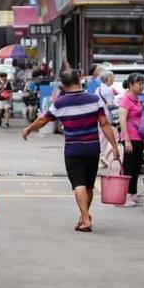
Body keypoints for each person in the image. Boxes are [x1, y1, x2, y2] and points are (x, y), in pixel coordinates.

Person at [22, 69, 119, 232]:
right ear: (79, 80)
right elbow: (104, 124)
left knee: (78, 184)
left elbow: (42, 120)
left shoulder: (60, 103)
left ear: (64, 85)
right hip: (92, 148)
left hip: (74, 149)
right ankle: (84, 217)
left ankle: (86, 219)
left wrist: (28, 129)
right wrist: (114, 146)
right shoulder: (94, 100)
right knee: (88, 185)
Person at [119, 73, 144, 207]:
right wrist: (127, 139)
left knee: (136, 167)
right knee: (128, 167)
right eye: (139, 83)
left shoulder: (137, 98)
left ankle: (133, 194)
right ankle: (124, 196)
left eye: (142, 83)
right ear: (130, 85)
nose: (141, 86)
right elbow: (122, 120)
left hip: (139, 137)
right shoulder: (126, 100)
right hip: (130, 137)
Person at [96, 70, 118, 166]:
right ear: (108, 79)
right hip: (107, 115)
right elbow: (111, 103)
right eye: (112, 78)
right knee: (114, 136)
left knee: (101, 136)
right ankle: (103, 156)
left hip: (98, 115)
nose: (113, 80)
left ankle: (101, 155)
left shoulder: (98, 89)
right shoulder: (109, 90)